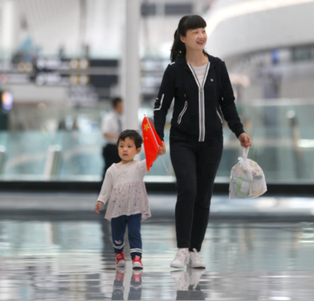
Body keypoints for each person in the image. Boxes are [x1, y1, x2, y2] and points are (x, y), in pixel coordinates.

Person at [153, 15, 251, 269]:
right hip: (182, 140)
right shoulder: (174, 70)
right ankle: (182, 249)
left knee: (204, 195)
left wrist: (239, 131)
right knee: (188, 189)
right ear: (183, 38)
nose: (201, 35)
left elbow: (228, 104)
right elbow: (162, 106)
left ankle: (195, 250)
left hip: (212, 142)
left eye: (203, 30)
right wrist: (157, 136)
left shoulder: (218, 67)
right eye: (195, 31)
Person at [95, 129, 150, 269]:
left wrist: (157, 151)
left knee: (134, 232)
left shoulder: (139, 167)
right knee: (117, 234)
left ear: (138, 150)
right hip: (117, 208)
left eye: (129, 146)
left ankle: (137, 258)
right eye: (121, 146)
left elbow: (150, 158)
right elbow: (106, 187)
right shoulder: (112, 170)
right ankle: (119, 254)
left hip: (135, 207)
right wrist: (101, 200)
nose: (125, 149)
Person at [101, 97, 123, 181]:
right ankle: (103, 192)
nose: (122, 108)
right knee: (108, 171)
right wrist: (119, 136)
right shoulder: (109, 118)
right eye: (121, 106)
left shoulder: (121, 118)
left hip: (119, 148)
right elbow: (105, 133)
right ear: (116, 107)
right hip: (111, 148)